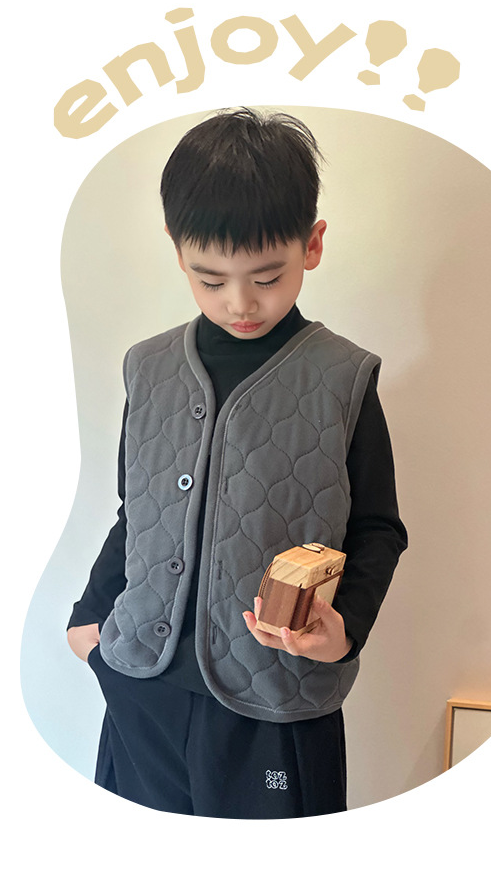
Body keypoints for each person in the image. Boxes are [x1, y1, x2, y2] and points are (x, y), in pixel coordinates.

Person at [66, 107, 408, 819]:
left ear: (312, 245)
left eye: (267, 275)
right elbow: (140, 510)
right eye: (210, 279)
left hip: (275, 703)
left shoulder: (344, 378)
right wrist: (91, 614)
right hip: (141, 690)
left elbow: (378, 528)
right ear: (176, 249)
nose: (241, 302)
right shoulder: (148, 367)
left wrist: (343, 629)